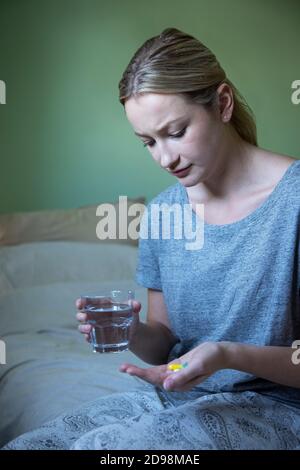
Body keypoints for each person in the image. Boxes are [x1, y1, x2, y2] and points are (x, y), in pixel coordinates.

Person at [3, 27, 300, 450]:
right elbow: (165, 343)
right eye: (148, 142)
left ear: (223, 103)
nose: (165, 158)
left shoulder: (294, 199)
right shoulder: (163, 212)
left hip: (280, 408)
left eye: (175, 132)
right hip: (181, 398)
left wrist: (228, 355)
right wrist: (133, 330)